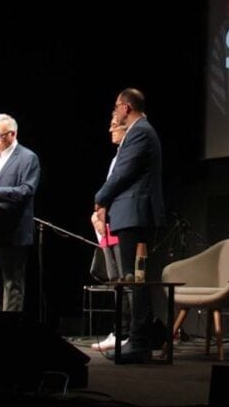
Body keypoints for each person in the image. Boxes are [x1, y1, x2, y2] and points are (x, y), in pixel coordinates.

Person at [94, 88, 165, 362]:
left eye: (116, 107)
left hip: (136, 214)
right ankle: (138, 341)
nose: (114, 112)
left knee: (136, 281)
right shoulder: (139, 131)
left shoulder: (140, 132)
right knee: (133, 279)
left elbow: (123, 173)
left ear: (125, 107)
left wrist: (99, 198)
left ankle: (139, 343)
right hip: (129, 214)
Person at [0, 113, 41, 312]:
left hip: (12, 232)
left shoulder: (27, 157)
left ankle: (8, 334)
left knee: (12, 285)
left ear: (13, 133)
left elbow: (27, 190)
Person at [90, 116, 130, 351]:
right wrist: (98, 215)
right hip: (108, 225)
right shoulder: (116, 157)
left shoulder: (128, 156)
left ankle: (127, 332)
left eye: (114, 126)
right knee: (115, 280)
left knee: (125, 281)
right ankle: (118, 331)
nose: (110, 130)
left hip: (120, 222)